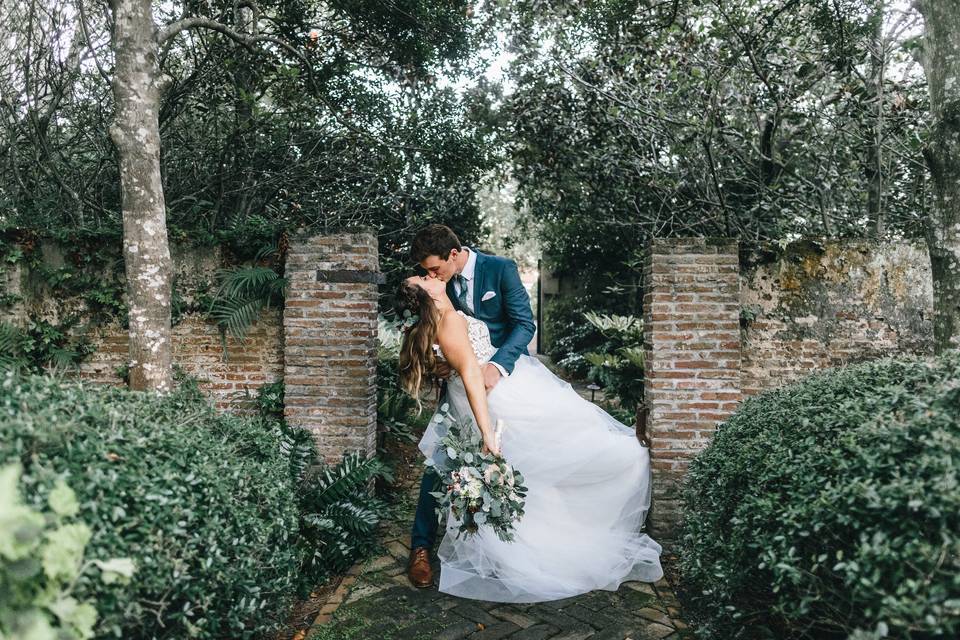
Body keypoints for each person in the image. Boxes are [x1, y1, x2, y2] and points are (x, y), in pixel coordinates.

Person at [398, 224, 662, 603]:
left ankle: (527, 535)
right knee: (440, 460)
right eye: (428, 272)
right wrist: (438, 359)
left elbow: (524, 324)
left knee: (526, 454)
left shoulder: (500, 269)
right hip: (460, 388)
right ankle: (420, 547)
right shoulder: (437, 285)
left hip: (505, 380)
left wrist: (497, 366)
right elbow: (430, 330)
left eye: (435, 268)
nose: (431, 276)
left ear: (454, 255)